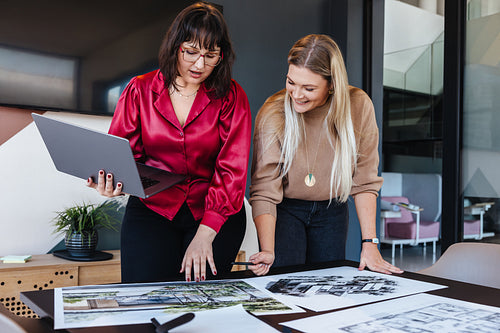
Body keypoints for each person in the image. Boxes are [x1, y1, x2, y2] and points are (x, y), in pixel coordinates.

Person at [87, 2, 251, 283]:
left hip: (214, 214)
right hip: (153, 209)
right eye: (191, 52)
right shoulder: (139, 89)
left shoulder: (233, 97)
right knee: (143, 299)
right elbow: (123, 155)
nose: (200, 65)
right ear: (176, 45)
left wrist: (204, 235)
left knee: (202, 307)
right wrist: (112, 183)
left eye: (211, 55)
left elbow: (231, 172)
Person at [248, 34, 402, 276]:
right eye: (291, 82)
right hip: (286, 211)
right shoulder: (273, 112)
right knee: (285, 285)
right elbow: (264, 189)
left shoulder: (359, 106)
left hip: (333, 210)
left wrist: (369, 244)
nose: (296, 95)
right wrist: (268, 249)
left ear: (332, 85)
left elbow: (365, 181)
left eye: (308, 88)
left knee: (328, 287)